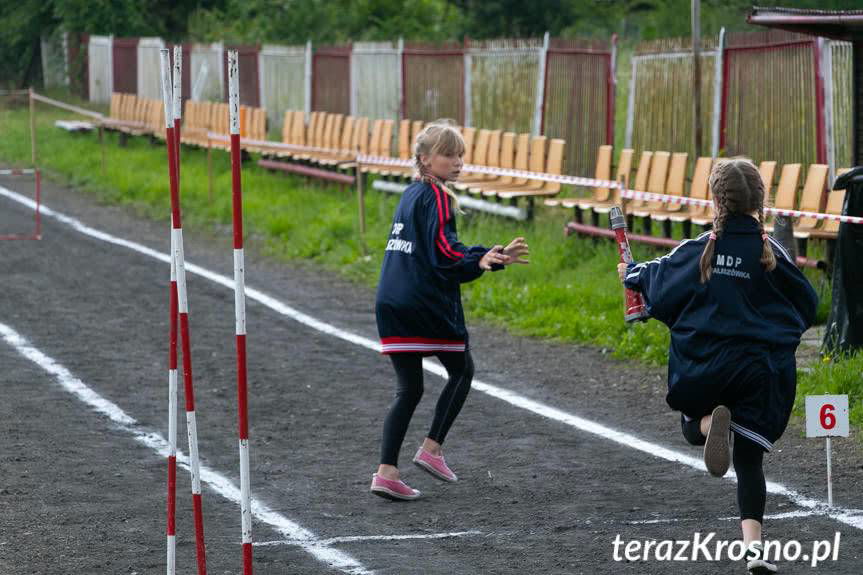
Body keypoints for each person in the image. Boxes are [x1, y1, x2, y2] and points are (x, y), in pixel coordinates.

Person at [617, 158, 818, 574]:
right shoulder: (772, 252)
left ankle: (709, 425)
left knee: (692, 422)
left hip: (706, 368)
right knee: (749, 460)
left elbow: (658, 277)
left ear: (715, 199)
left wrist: (630, 274)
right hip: (760, 371)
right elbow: (808, 303)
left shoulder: (700, 248)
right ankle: (755, 551)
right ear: (761, 201)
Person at [371, 121, 529, 501]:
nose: (457, 162)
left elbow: (438, 247)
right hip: (422, 302)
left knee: (409, 389)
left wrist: (484, 256)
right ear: (425, 159)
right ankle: (431, 449)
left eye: (460, 154)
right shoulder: (438, 198)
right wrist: (481, 261)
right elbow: (444, 254)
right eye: (448, 155)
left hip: (389, 300)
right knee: (462, 369)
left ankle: (386, 472)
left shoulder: (410, 194)